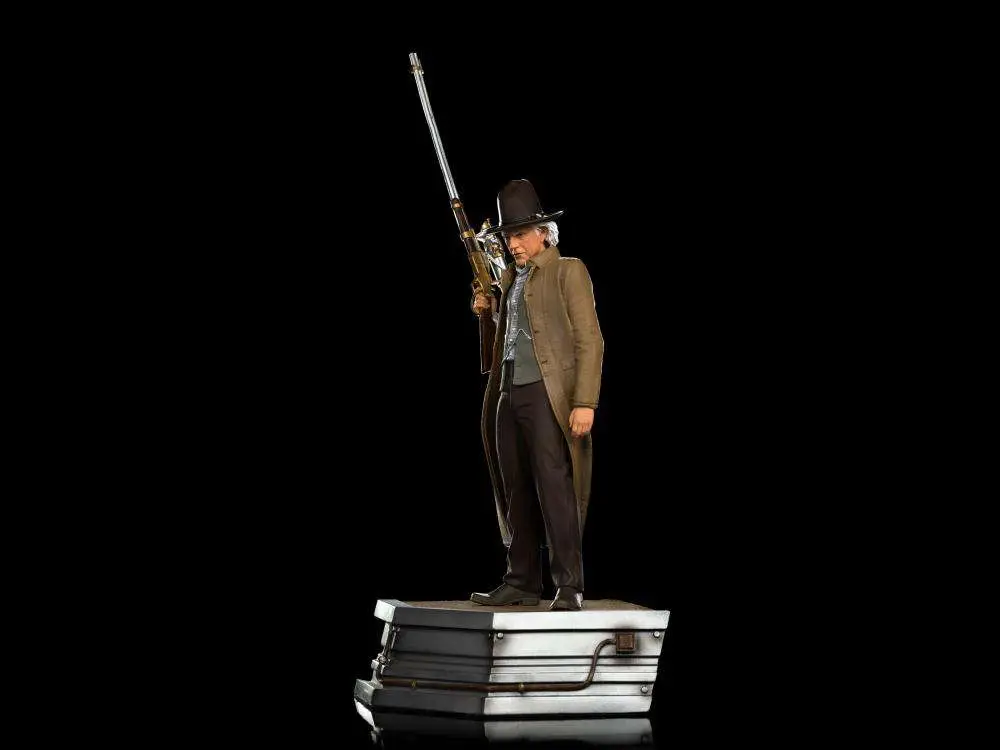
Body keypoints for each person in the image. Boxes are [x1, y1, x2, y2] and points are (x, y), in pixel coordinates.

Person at [468, 179, 604, 612]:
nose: (513, 244)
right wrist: (487, 313)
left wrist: (584, 402)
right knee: (516, 487)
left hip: (546, 393)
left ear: (544, 232)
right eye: (508, 236)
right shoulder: (510, 279)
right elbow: (505, 341)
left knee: (554, 487)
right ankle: (522, 580)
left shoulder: (568, 271)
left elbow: (590, 339)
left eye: (521, 234)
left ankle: (569, 585)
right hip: (507, 392)